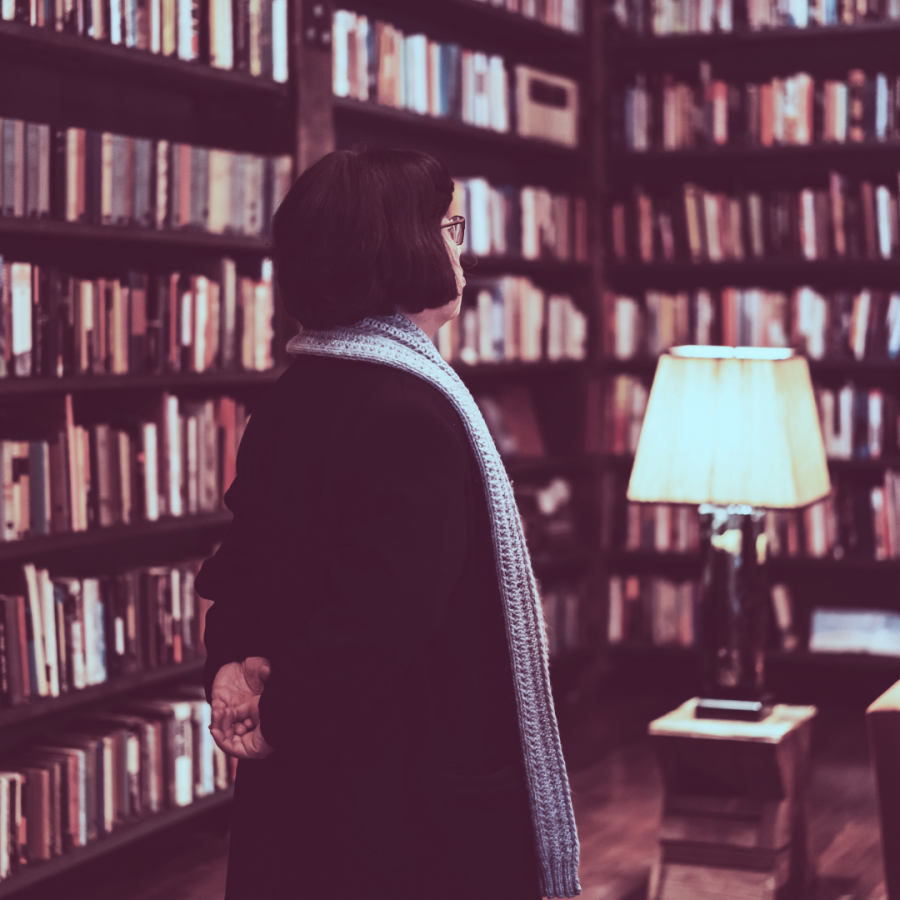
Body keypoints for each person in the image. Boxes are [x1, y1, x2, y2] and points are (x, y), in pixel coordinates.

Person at [196, 147, 580, 900]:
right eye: (450, 226)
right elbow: (377, 618)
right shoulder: (412, 412)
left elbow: (234, 564)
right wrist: (281, 717)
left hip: (303, 784)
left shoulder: (289, 395)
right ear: (401, 245)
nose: (460, 248)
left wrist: (231, 666)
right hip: (393, 800)